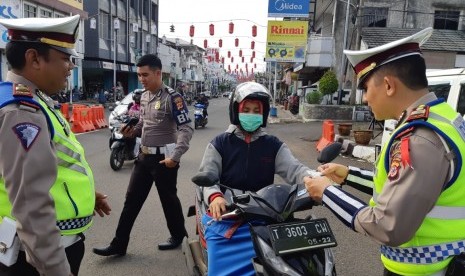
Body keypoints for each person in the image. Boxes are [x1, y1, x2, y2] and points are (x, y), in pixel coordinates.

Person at [305, 27, 465, 276]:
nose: (366, 98)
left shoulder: (420, 139)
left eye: (366, 88)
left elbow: (387, 225)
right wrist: (348, 175)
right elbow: (404, 189)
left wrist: (327, 192)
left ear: (389, 85)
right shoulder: (444, 119)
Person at [0, 15, 111, 276]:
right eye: (64, 57)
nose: (71, 66)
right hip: (35, 259)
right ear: (34, 58)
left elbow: (53, 164)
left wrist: (84, 195)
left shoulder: (32, 100)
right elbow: (30, 205)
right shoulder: (21, 112)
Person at [198, 82, 316, 275]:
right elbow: (209, 178)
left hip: (265, 214)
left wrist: (317, 180)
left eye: (256, 111)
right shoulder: (220, 143)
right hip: (228, 215)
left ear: (263, 114)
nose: (251, 114)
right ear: (236, 110)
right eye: (246, 109)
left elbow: (295, 170)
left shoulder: (272, 145)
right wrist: (215, 197)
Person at [93, 54, 193, 256]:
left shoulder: (172, 97)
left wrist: (176, 156)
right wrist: (132, 130)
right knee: (131, 200)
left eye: (145, 74)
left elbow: (186, 127)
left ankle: (178, 235)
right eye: (139, 75)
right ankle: (119, 244)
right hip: (143, 157)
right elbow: (144, 123)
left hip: (165, 159)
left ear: (158, 73)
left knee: (168, 199)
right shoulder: (144, 96)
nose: (141, 79)